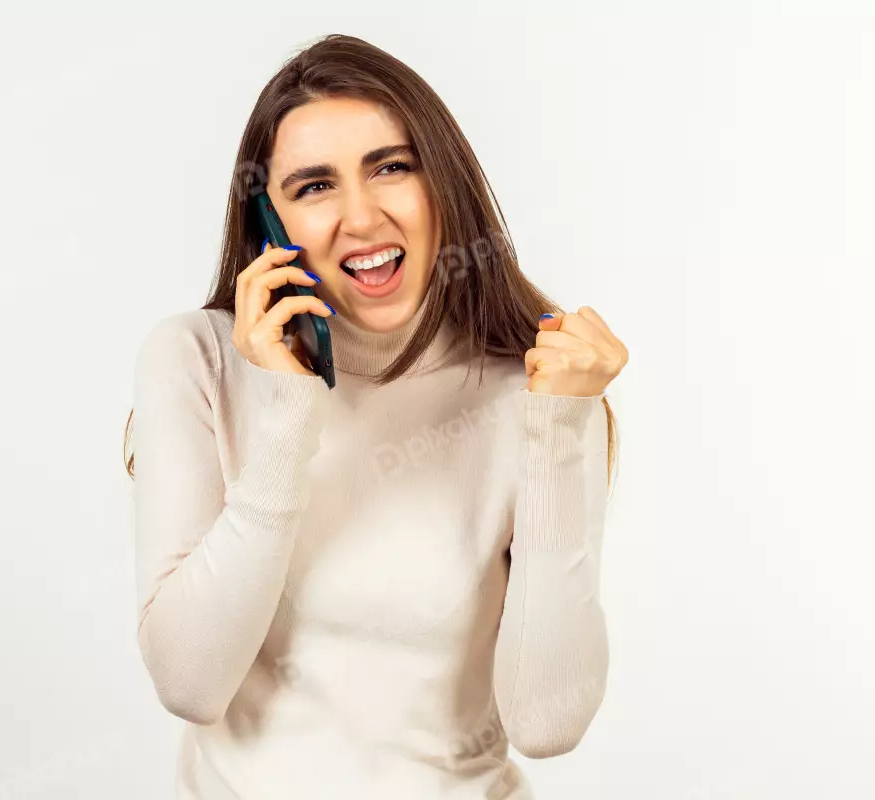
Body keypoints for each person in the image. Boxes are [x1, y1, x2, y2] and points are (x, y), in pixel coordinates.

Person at [124, 33, 629, 800]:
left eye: (392, 167)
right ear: (269, 221)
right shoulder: (198, 361)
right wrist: (287, 407)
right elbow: (191, 681)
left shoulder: (539, 386)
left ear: (442, 184)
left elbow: (547, 722)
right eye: (315, 186)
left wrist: (559, 429)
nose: (361, 218)